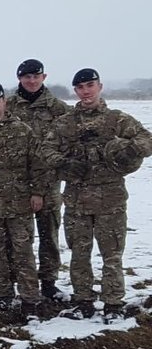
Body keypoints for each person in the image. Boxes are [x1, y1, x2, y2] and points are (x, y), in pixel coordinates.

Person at [51, 68, 152, 320]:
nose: (86, 91)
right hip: (77, 201)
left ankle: (113, 304)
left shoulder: (117, 120)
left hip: (111, 200)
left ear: (100, 86)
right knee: (79, 255)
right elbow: (45, 151)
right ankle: (83, 301)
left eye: (90, 85)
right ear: (75, 91)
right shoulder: (65, 123)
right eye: (80, 87)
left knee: (112, 255)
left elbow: (147, 141)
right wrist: (65, 163)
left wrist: (121, 150)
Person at [0, 83, 49, 317]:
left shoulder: (23, 131)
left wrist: (38, 192)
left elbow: (37, 164)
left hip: (19, 204)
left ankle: (30, 298)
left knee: (22, 252)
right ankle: (2, 295)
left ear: (4, 101)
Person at [6, 58, 70, 299]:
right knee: (18, 237)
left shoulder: (59, 109)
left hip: (49, 183)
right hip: (17, 184)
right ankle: (18, 279)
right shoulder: (9, 106)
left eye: (36, 76)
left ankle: (49, 280)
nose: (31, 81)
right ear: (19, 79)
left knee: (49, 235)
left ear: (44, 77)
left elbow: (68, 144)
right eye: (26, 77)